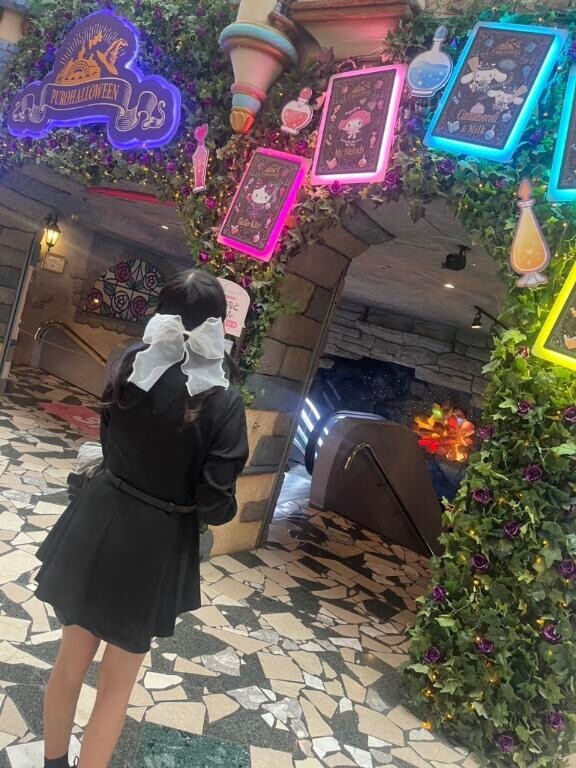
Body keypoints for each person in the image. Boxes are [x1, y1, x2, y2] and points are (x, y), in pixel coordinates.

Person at [35, 270, 249, 768]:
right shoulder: (223, 400)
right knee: (116, 687)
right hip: (155, 543)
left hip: (99, 517)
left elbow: (108, 442)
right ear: (218, 325)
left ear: (162, 312)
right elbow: (215, 503)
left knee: (69, 661)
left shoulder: (130, 363)